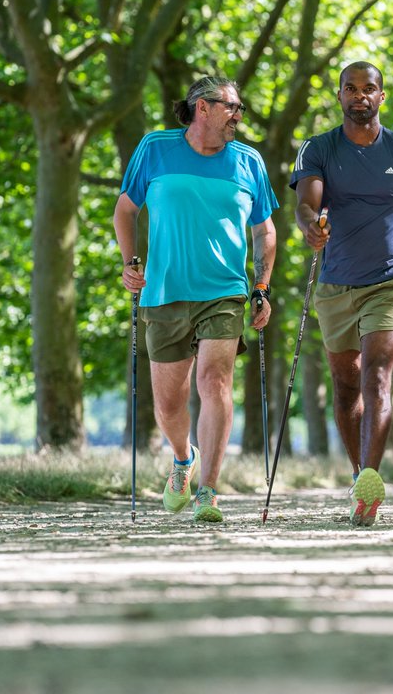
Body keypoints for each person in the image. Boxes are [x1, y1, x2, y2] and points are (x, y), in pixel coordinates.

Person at [113, 75, 278, 524]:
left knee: (214, 382)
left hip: (225, 292)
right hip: (163, 291)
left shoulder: (249, 161)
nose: (239, 117)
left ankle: (208, 489)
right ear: (202, 107)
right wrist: (130, 263)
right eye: (232, 107)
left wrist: (261, 286)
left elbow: (264, 231)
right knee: (168, 404)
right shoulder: (155, 148)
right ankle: (183, 460)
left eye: (240, 108)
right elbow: (126, 209)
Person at [291, 61, 393, 527]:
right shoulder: (318, 148)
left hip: (391, 282)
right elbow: (305, 203)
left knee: (378, 375)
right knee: (346, 384)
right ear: (339, 96)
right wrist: (310, 227)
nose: (360, 96)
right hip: (335, 282)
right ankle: (360, 479)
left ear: (382, 97)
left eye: (369, 89)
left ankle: (372, 477)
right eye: (351, 89)